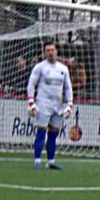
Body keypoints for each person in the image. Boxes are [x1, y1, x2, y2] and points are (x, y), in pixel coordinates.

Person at [27, 41, 73, 170]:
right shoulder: (40, 67)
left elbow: (68, 88)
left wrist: (70, 104)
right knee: (41, 132)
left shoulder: (63, 69)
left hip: (58, 105)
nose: (50, 53)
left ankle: (51, 162)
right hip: (43, 104)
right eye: (48, 50)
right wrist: (31, 102)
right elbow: (31, 84)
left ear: (56, 51)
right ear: (44, 52)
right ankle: (37, 161)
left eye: (52, 50)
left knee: (53, 135)